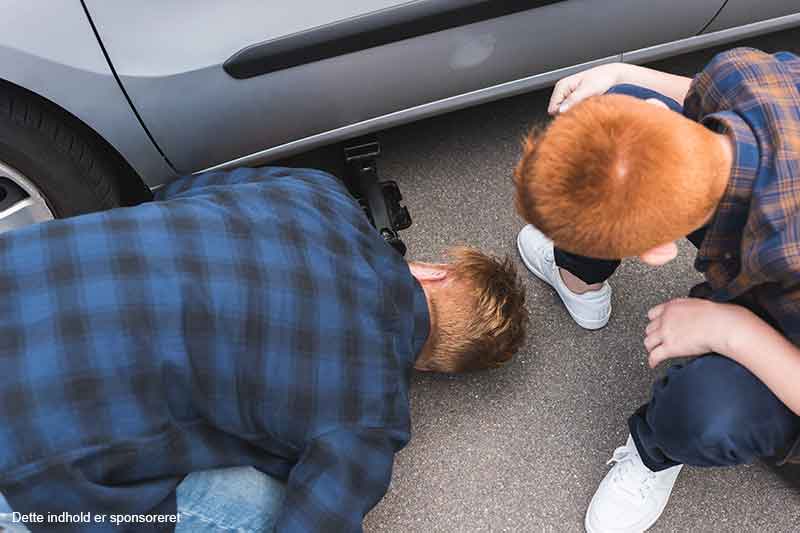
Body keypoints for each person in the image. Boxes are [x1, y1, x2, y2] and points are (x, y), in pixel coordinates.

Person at [0, 166, 528, 533]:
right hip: (23, 455)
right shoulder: (370, 419)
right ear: (435, 364)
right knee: (263, 507)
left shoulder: (320, 193)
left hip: (21, 271)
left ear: (436, 271)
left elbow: (180, 191)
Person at [514, 48, 800, 533]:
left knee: (707, 411)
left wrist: (728, 329)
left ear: (657, 251)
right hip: (764, 227)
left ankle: (658, 451)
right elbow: (692, 97)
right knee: (616, 118)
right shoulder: (740, 73)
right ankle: (580, 283)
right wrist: (620, 73)